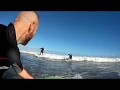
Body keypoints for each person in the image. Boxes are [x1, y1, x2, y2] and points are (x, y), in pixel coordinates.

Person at [0, 11, 39, 79]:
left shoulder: (15, 52)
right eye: (36, 31)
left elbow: (20, 71)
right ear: (31, 27)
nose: (35, 34)